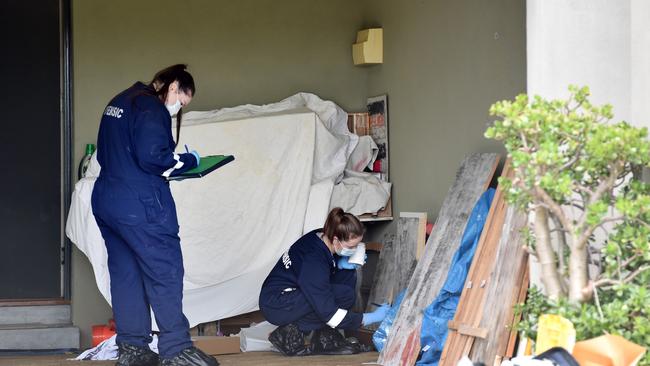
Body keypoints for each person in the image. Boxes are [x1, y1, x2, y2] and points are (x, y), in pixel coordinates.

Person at [91, 64, 219, 366]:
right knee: (165, 271)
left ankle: (133, 348)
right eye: (181, 102)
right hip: (142, 205)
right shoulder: (151, 107)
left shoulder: (120, 101)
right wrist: (187, 160)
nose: (177, 109)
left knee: (127, 276)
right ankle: (176, 349)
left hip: (108, 200)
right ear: (173, 87)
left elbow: (104, 153)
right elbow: (155, 159)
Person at [258, 207, 391, 356]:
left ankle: (324, 337)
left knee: (347, 275)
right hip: (277, 303)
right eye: (351, 247)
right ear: (336, 240)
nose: (354, 250)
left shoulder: (323, 235)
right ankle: (288, 333)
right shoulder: (313, 261)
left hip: (293, 293)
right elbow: (330, 314)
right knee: (343, 295)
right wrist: (369, 318)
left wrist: (340, 265)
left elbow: (324, 266)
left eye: (357, 246)